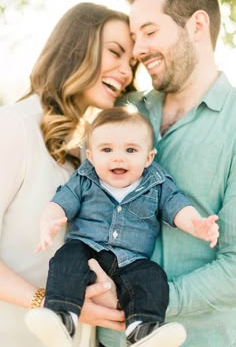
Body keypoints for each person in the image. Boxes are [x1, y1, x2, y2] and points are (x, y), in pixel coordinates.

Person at [96, 0, 236, 347]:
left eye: (149, 31)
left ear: (197, 26)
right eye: (134, 37)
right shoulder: (125, 108)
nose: (138, 49)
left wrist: (141, 301)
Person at [0, 2, 136, 347]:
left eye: (131, 63)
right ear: (77, 47)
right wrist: (49, 303)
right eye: (116, 53)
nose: (127, 72)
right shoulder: (14, 128)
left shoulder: (81, 153)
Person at [25, 106, 219, 347]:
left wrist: (196, 224)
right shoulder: (85, 177)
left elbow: (176, 205)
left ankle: (144, 330)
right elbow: (62, 201)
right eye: (107, 150)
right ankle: (61, 318)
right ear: (91, 156)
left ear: (148, 157)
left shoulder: (157, 182)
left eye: (130, 150)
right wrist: (49, 220)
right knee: (66, 259)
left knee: (152, 276)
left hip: (132, 260)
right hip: (86, 247)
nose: (118, 157)